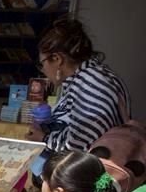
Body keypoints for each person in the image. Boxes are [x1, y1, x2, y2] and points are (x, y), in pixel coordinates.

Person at [28, 18, 131, 151]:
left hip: (95, 170)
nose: (43, 70)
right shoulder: (92, 76)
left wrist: (44, 139)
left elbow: (79, 143)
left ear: (57, 59)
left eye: (42, 64)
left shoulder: (89, 83)